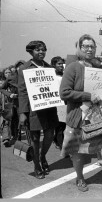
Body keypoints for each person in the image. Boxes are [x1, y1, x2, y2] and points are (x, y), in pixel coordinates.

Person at [59, 34, 102, 198]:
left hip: (98, 117)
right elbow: (64, 92)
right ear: (79, 48)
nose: (89, 49)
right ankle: (80, 177)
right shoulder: (73, 67)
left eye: (92, 46)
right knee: (77, 152)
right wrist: (87, 96)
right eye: (86, 46)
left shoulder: (99, 65)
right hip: (78, 117)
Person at [18, 40, 59, 179]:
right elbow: (22, 92)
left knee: (50, 135)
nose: (41, 52)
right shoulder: (24, 68)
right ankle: (37, 165)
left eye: (43, 49)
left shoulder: (49, 68)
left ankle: (42, 157)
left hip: (49, 107)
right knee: (35, 139)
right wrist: (23, 113)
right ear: (31, 52)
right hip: (33, 109)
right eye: (37, 50)